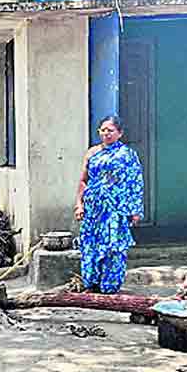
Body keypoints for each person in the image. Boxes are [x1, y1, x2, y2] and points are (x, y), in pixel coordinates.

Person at [73, 116, 144, 294]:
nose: (106, 133)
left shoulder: (127, 155)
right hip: (94, 209)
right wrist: (79, 205)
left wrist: (135, 210)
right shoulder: (92, 153)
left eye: (110, 130)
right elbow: (83, 181)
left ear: (120, 133)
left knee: (113, 246)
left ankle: (110, 287)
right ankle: (92, 283)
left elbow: (135, 182)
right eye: (103, 130)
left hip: (116, 208)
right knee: (91, 245)